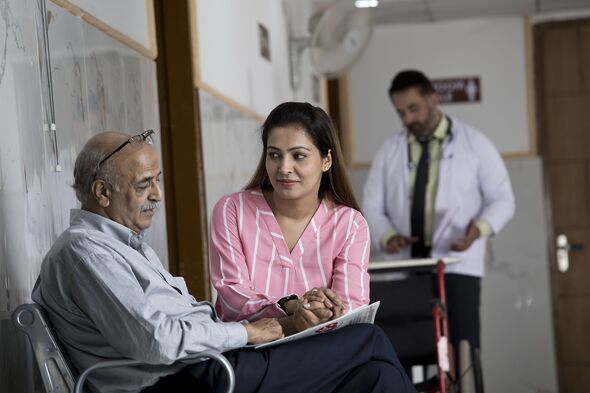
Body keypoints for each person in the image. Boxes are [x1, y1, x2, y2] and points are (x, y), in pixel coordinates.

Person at [32, 130, 415, 393]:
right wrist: (249, 333)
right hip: (185, 382)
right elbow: (155, 340)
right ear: (102, 192)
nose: (158, 195)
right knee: (368, 339)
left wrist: (278, 325)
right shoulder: (85, 253)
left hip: (210, 367)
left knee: (375, 375)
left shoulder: (127, 245)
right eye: (144, 184)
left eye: (158, 180)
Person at [363, 70, 515, 362]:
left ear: (433, 100)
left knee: (462, 352)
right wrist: (388, 236)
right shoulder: (389, 151)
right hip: (406, 266)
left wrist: (479, 229)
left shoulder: (474, 144)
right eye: (400, 113)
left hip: (457, 267)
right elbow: (371, 205)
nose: (408, 119)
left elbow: (503, 199)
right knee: (402, 351)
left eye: (413, 109)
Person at [209, 102, 370, 334]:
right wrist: (292, 307)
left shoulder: (350, 224)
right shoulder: (232, 210)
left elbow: (353, 308)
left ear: (326, 160)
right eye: (274, 155)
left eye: (298, 156)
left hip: (324, 350)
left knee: (373, 341)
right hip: (253, 352)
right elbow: (232, 296)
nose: (284, 167)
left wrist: (323, 310)